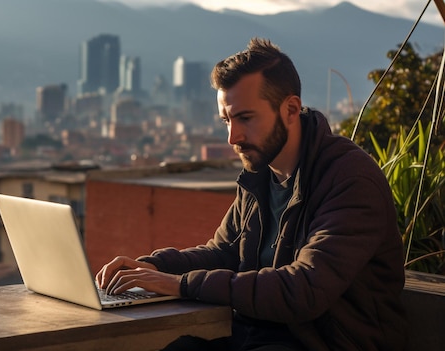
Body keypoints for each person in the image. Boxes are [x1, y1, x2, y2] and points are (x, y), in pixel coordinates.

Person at [95, 37, 409, 351]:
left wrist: (181, 284)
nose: (234, 136)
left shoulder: (349, 179)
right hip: (253, 337)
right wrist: (153, 268)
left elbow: (304, 289)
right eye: (226, 120)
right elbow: (224, 253)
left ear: (290, 109)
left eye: (245, 118)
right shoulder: (259, 175)